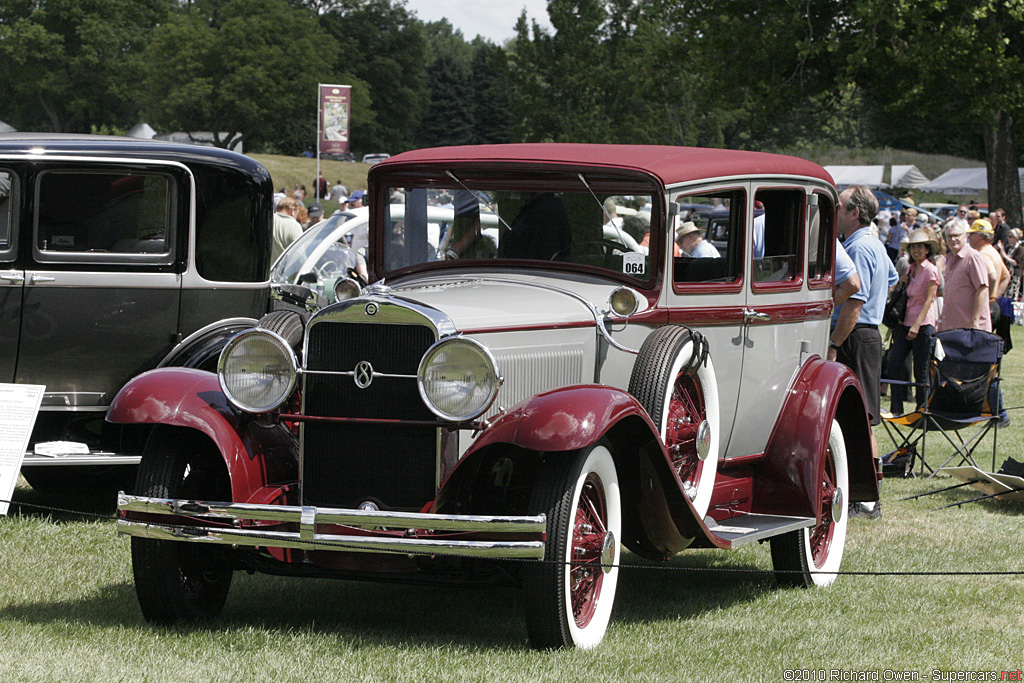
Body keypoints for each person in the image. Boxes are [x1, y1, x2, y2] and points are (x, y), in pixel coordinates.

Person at [828, 185, 897, 520]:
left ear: (855, 213)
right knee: (863, 415)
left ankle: (867, 500)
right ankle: (868, 496)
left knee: (862, 418)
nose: (835, 212)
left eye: (839, 207)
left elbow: (856, 299)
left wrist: (835, 343)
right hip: (866, 334)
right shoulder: (873, 244)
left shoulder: (858, 246)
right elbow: (893, 278)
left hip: (856, 334)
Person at [885, 230, 940, 416]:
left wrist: (917, 325)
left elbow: (929, 300)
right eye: (913, 247)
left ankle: (922, 410)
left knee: (921, 369)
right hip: (905, 322)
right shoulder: (910, 269)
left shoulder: (931, 270)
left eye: (920, 247)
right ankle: (897, 408)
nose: (916, 250)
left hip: (923, 325)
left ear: (927, 250)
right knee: (893, 363)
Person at [938, 219, 990, 332]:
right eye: (949, 236)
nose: (953, 239)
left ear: (965, 236)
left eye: (956, 235)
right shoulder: (951, 258)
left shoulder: (973, 257)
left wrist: (974, 321)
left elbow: (982, 289)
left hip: (970, 328)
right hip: (952, 327)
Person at [272, 196, 303, 263]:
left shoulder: (269, 220)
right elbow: (300, 256)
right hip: (283, 271)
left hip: (266, 269)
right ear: (293, 211)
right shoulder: (295, 226)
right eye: (297, 213)